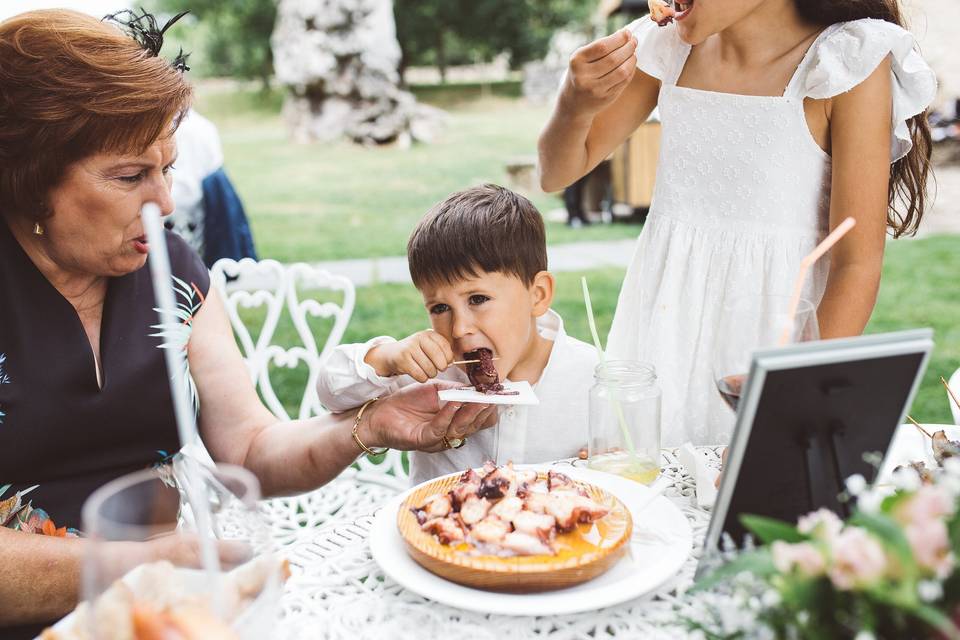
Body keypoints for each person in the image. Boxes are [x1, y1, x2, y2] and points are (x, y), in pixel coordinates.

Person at [0, 10, 495, 637]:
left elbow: (254, 449)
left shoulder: (173, 274)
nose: (166, 202)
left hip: (157, 617)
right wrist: (143, 562)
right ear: (26, 179)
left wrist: (368, 426)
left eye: (167, 167)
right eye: (130, 176)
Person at [537, 0, 937, 446]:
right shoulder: (665, 48)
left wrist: (788, 397)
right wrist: (575, 105)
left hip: (776, 346)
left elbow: (856, 265)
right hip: (661, 330)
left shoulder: (845, 61)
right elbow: (557, 173)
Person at [316, 184, 600, 485]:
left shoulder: (594, 377)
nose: (459, 328)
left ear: (538, 295)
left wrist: (605, 463)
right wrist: (387, 358)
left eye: (478, 299)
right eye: (440, 307)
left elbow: (633, 457)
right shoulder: (429, 374)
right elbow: (331, 391)